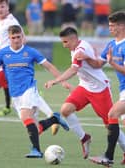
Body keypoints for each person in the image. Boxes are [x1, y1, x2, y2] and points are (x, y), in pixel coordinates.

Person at [0, 0, 59, 137]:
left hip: (10, 64)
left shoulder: (11, 22)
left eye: (2, 6)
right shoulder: (1, 21)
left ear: (8, 7)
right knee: (26, 94)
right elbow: (7, 42)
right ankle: (52, 116)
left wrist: (10, 56)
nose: (0, 9)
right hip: (7, 62)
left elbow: (22, 40)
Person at [0, 24, 70, 158]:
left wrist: (61, 80)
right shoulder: (3, 53)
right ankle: (54, 119)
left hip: (29, 90)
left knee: (25, 117)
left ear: (22, 37)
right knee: (34, 128)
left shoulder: (31, 52)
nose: (16, 40)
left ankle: (36, 150)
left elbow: (49, 66)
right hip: (15, 94)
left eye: (18, 37)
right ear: (9, 38)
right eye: (13, 38)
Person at [45, 26, 125, 167]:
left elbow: (74, 70)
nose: (64, 45)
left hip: (100, 90)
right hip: (84, 88)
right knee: (65, 110)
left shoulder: (81, 49)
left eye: (65, 42)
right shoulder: (75, 48)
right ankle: (84, 137)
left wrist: (56, 80)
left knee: (110, 125)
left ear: (74, 39)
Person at [79, 11, 125, 166]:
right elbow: (98, 63)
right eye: (109, 25)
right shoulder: (111, 44)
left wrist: (113, 64)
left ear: (122, 26)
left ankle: (108, 157)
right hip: (123, 90)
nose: (110, 28)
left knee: (112, 113)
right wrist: (87, 57)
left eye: (113, 25)